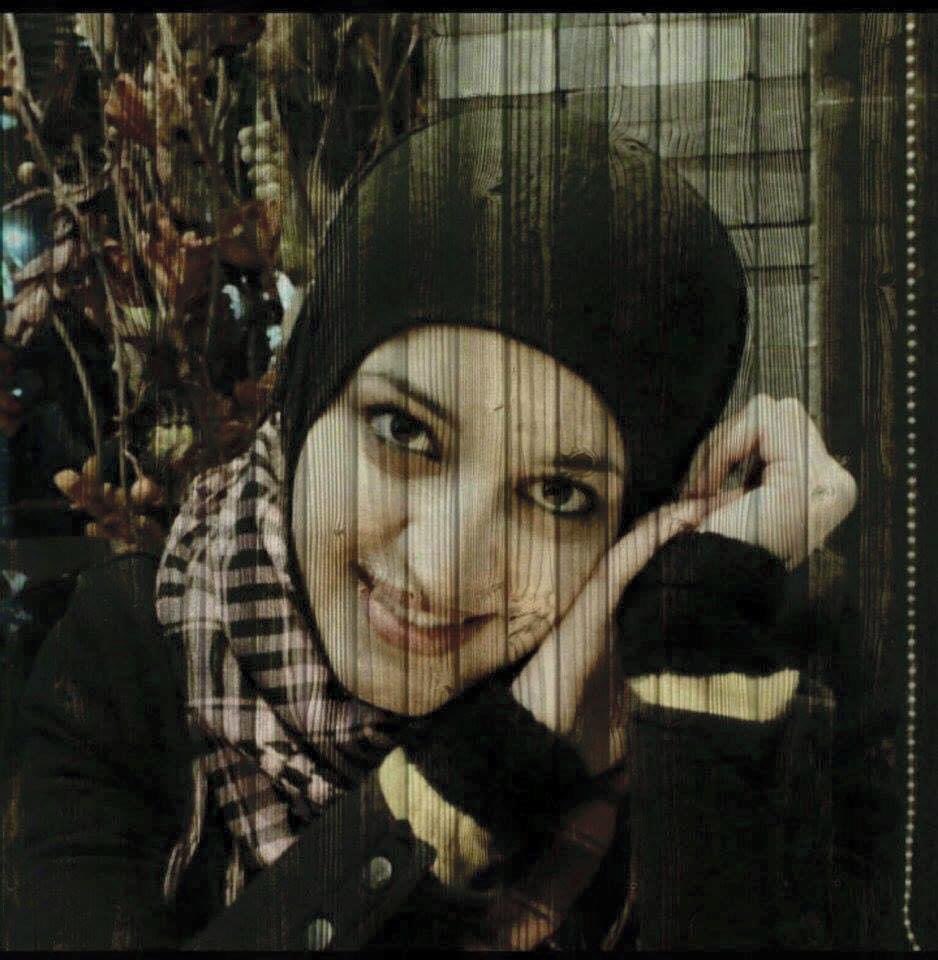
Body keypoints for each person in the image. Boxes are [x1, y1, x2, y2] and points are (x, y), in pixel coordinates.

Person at [2, 100, 864, 950]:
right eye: (404, 432)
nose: (442, 566)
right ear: (307, 400)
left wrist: (698, 650)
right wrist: (483, 770)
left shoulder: (716, 701)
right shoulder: (129, 658)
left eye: (558, 494)